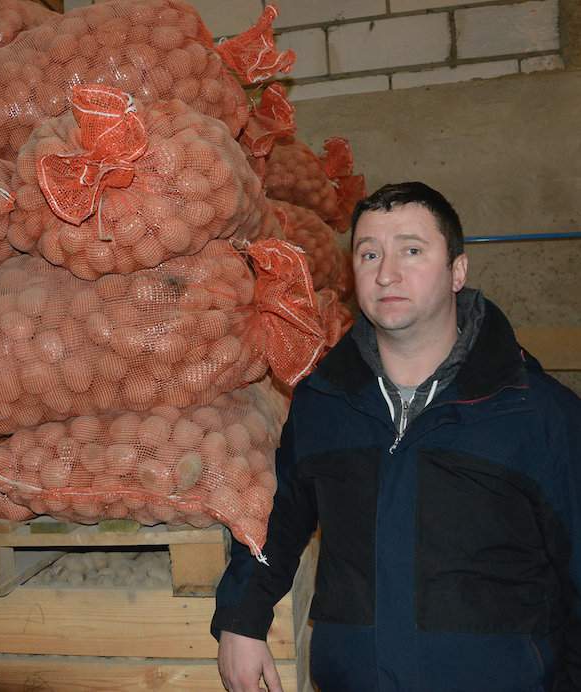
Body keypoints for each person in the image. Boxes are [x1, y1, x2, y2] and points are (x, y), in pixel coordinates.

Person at [212, 181, 581, 692]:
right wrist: (240, 619)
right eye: (369, 254)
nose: (387, 273)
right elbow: (278, 516)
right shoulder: (324, 403)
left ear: (457, 271)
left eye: (411, 250)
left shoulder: (539, 414)